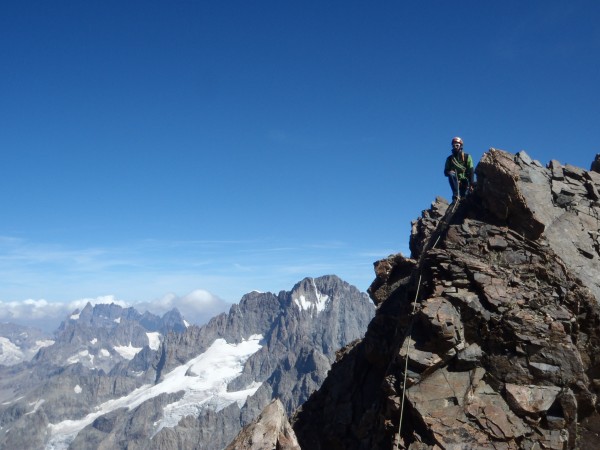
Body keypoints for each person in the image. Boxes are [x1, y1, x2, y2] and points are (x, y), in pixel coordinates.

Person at [444, 137, 474, 202]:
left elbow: (471, 170)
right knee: (451, 175)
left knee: (464, 197)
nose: (455, 147)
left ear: (460, 146)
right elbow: (445, 171)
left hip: (465, 181)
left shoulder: (467, 156)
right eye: (454, 145)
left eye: (457, 145)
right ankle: (456, 195)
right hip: (455, 180)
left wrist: (472, 183)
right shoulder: (449, 159)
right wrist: (449, 172)